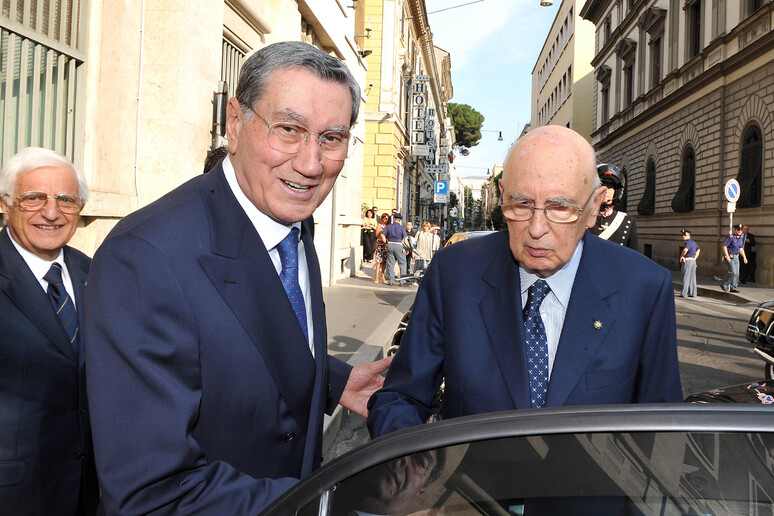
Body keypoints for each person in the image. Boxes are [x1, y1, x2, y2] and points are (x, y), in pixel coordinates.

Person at [85, 41, 391, 514]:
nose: (311, 165)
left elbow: (242, 330)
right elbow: (150, 494)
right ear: (234, 122)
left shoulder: (290, 221)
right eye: (289, 130)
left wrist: (329, 379)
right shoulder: (144, 258)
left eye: (331, 138)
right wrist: (330, 505)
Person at [367, 126, 682, 437]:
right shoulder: (454, 273)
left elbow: (662, 427)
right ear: (503, 195)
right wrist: (409, 474)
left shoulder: (643, 287)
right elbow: (401, 398)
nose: (536, 228)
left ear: (595, 206)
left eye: (560, 208)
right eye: (522, 204)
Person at [0, 147, 99, 515]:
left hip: (90, 492)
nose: (52, 212)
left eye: (66, 200)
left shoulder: (97, 273)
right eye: (33, 198)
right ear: (5, 203)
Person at [331, 449, 444, 515]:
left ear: (418, 493)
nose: (403, 457)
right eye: (401, 445)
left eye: (419, 461)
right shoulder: (329, 483)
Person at [588, 163, 638, 250]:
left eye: (610, 187)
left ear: (617, 192)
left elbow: (633, 258)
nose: (606, 191)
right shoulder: (583, 219)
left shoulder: (627, 221)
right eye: (602, 186)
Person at [381, 212, 408, 286]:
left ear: (394, 219)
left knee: (390, 263)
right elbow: (405, 239)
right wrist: (406, 249)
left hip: (389, 244)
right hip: (399, 245)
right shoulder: (402, 228)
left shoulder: (389, 226)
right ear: (400, 220)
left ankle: (391, 281)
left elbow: (382, 235)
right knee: (402, 263)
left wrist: (386, 242)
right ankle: (402, 281)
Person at [720, 223, 747, 293]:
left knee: (737, 273)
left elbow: (741, 248)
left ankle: (733, 287)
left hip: (736, 257)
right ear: (735, 230)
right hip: (730, 257)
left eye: (741, 230)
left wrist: (744, 257)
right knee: (733, 272)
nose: (740, 231)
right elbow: (724, 246)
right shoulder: (731, 237)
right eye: (738, 230)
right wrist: (727, 256)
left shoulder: (740, 239)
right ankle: (724, 284)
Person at [680, 229, 700, 298]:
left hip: (687, 261)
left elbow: (685, 250)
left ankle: (684, 293)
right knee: (692, 278)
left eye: (685, 235)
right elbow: (698, 250)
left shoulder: (688, 242)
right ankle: (693, 293)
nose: (683, 236)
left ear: (689, 235)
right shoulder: (693, 242)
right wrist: (695, 258)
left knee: (686, 277)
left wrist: (681, 256)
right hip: (693, 261)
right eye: (683, 235)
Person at [374, 212, 389, 283]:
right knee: (378, 261)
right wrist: (381, 232)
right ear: (382, 218)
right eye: (384, 218)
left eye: (387, 218)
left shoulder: (388, 226)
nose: (385, 220)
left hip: (385, 245)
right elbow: (376, 235)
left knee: (384, 261)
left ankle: (382, 275)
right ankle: (376, 277)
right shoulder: (379, 225)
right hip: (380, 244)